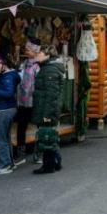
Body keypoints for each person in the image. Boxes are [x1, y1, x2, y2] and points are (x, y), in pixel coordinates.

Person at [31, 45, 66, 174]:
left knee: (47, 136)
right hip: (47, 109)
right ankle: (55, 163)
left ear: (48, 55)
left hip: (47, 110)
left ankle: (48, 166)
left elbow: (51, 96)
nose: (36, 54)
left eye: (39, 52)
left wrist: (47, 115)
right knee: (49, 136)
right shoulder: (47, 68)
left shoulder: (49, 70)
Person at [0, 54, 21, 175]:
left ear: (3, 64)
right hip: (8, 109)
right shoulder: (10, 75)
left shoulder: (8, 77)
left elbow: (9, 93)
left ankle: (4, 165)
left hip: (4, 110)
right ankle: (10, 163)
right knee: (5, 138)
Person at [14, 37, 42, 166]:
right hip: (22, 101)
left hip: (34, 100)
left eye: (29, 48)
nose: (26, 50)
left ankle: (39, 152)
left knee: (39, 126)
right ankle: (21, 151)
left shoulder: (39, 65)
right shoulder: (23, 63)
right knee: (21, 125)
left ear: (35, 50)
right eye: (26, 48)